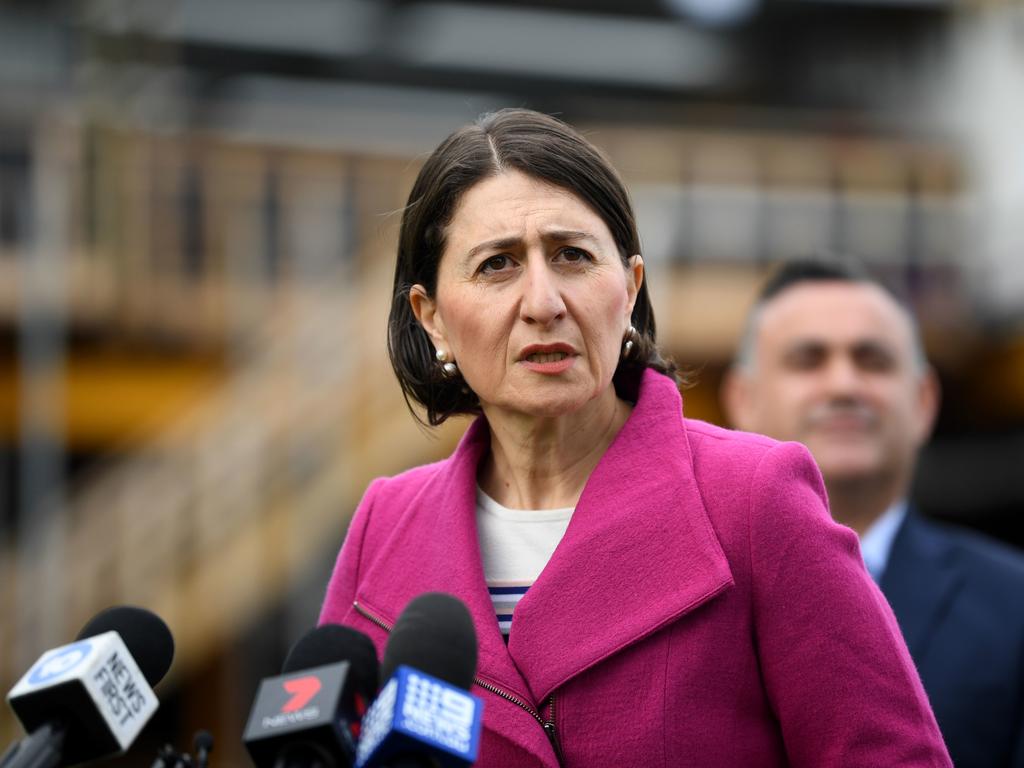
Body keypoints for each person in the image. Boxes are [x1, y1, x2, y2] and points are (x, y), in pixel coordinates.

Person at [319, 110, 950, 767]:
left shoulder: (753, 497)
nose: (544, 301)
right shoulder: (384, 525)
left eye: (572, 256)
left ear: (629, 289)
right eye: (497, 264)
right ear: (433, 320)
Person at [721, 259, 1024, 768]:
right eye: (808, 359)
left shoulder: (1014, 606)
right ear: (742, 400)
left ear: (924, 402)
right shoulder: (681, 596)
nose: (843, 385)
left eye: (873, 360)